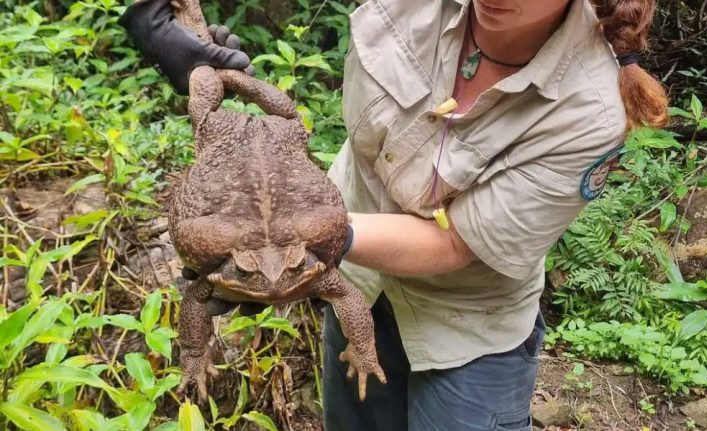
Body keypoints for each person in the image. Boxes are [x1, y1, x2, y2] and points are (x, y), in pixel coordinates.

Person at [120, 0, 667, 429]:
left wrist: (300, 241)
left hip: (462, 325)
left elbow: (456, 246)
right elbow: (278, 140)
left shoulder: (590, 110)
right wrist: (201, 65)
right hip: (351, 281)